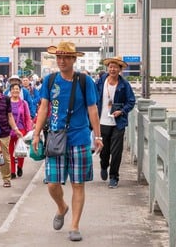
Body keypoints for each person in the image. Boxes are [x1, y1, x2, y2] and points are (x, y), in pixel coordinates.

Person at [31, 41, 103, 242]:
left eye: (66, 57)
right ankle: (62, 206)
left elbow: (93, 109)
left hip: (79, 139)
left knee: (78, 184)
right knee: (52, 183)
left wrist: (97, 136)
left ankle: (74, 225)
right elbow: (44, 107)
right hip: (55, 139)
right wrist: (36, 134)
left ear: (74, 59)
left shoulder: (84, 81)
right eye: (58, 57)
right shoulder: (50, 80)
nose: (61, 61)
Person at [95, 56, 136, 189]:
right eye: (111, 66)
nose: (112, 69)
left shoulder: (124, 85)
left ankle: (114, 177)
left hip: (118, 123)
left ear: (120, 69)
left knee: (117, 151)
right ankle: (103, 165)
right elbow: (93, 97)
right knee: (104, 150)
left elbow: (131, 101)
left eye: (115, 67)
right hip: (102, 121)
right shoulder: (101, 81)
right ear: (108, 68)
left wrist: (122, 111)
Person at [8, 83, 32, 179]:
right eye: (13, 89)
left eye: (17, 89)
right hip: (9, 129)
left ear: (20, 91)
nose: (15, 91)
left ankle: (20, 167)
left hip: (21, 129)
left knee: (20, 150)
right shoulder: (7, 102)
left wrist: (29, 130)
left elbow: (27, 117)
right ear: (10, 91)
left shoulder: (23, 103)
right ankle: (12, 171)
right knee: (10, 152)